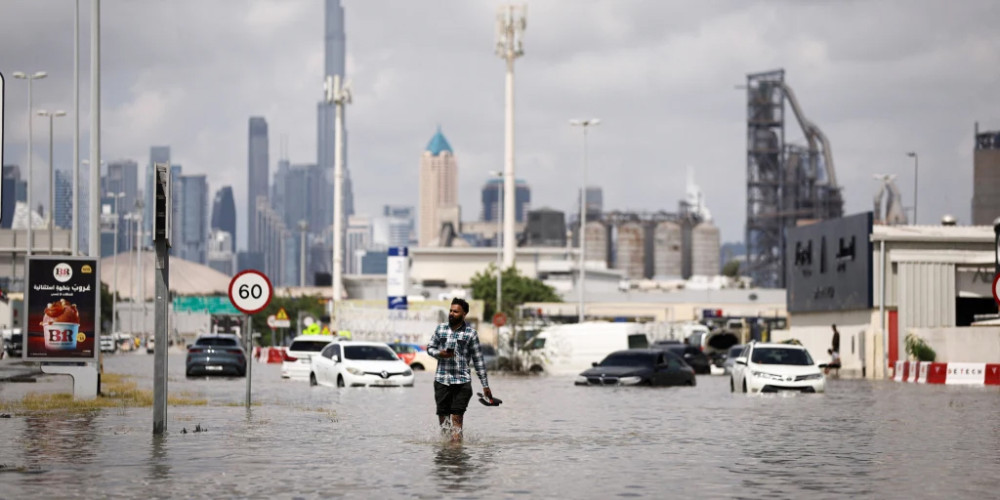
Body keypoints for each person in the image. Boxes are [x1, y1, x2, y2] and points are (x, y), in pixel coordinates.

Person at [426, 298, 493, 442]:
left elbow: (478, 360)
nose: (451, 313)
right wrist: (440, 354)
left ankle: (457, 455)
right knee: (444, 423)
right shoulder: (440, 329)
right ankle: (446, 455)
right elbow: (430, 348)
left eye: (455, 312)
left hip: (462, 382)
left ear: (464, 314)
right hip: (441, 381)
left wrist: (485, 385)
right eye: (450, 310)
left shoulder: (471, 334)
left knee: (457, 418)